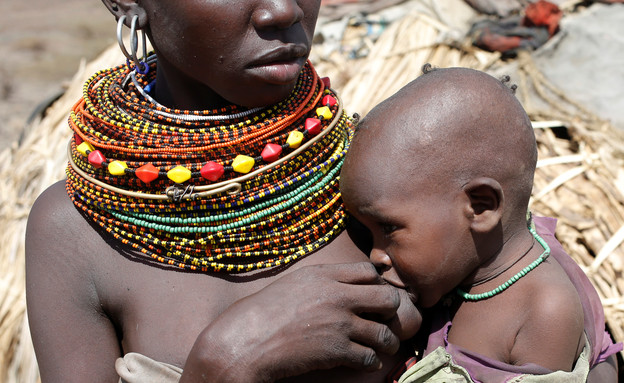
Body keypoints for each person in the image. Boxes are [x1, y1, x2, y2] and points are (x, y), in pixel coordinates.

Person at [24, 1, 422, 382]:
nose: (284, 10)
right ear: (126, 2)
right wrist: (230, 360)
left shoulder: (389, 174)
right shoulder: (74, 231)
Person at [339, 66, 622, 382]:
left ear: (480, 207)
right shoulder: (458, 271)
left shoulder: (543, 311)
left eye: (388, 228)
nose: (376, 255)